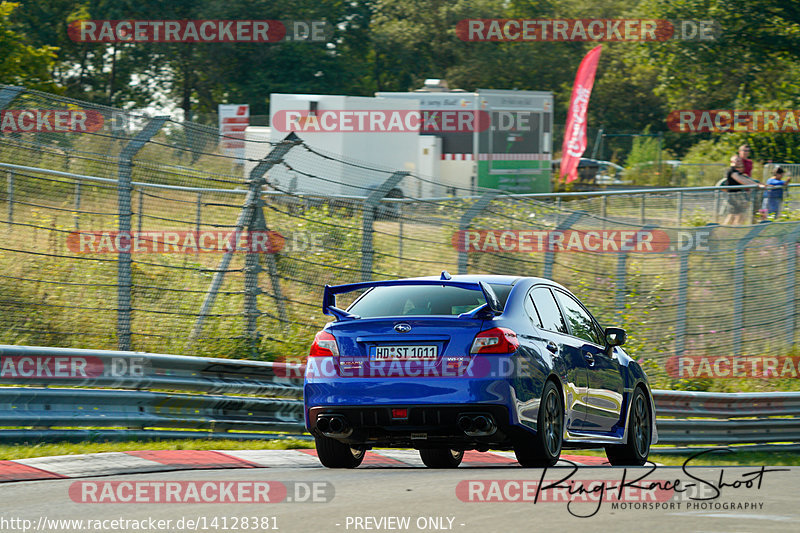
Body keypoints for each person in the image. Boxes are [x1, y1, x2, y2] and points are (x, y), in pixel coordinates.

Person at [723, 154, 762, 225]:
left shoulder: (737, 172)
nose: (739, 162)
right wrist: (756, 185)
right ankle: (735, 230)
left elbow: (746, 179)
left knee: (732, 215)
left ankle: (726, 230)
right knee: (740, 215)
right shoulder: (732, 171)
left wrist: (757, 184)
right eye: (737, 161)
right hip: (734, 196)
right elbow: (741, 180)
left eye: (739, 161)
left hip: (736, 196)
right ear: (732, 161)